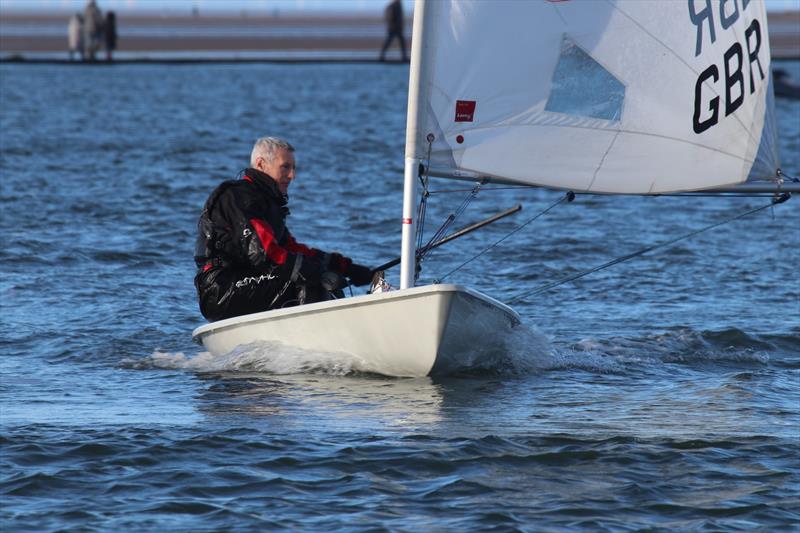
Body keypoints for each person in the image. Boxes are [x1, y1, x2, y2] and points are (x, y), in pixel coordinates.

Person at [194, 137, 374, 322]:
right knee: (310, 281)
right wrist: (316, 271)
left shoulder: (266, 204)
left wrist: (345, 267)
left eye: (293, 168)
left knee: (327, 281)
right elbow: (264, 253)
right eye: (285, 167)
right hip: (220, 290)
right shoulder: (240, 197)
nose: (292, 176)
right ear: (261, 164)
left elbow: (291, 250)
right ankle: (311, 343)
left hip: (246, 282)